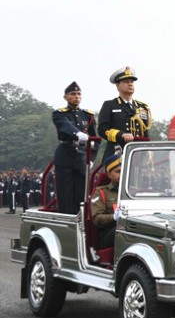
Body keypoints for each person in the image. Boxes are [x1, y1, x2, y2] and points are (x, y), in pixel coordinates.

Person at [52, 81, 99, 214]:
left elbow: (96, 138)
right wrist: (77, 134)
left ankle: (82, 219)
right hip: (65, 154)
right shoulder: (59, 113)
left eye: (79, 94)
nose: (76, 96)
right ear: (65, 97)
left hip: (82, 157)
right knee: (65, 192)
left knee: (82, 192)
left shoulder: (87, 115)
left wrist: (92, 158)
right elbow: (64, 125)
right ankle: (67, 221)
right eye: (73, 94)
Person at [98, 66, 152, 159]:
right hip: (116, 154)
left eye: (132, 82)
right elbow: (102, 129)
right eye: (126, 82)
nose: (130, 84)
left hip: (137, 154)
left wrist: (149, 152)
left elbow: (145, 132)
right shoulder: (110, 105)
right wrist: (121, 135)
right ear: (117, 85)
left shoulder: (142, 107)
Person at [91, 154, 122, 249]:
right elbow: (96, 218)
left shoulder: (133, 191)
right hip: (108, 233)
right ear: (109, 174)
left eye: (124, 171)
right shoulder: (101, 192)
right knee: (121, 231)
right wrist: (113, 217)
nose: (122, 175)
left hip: (129, 228)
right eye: (118, 172)